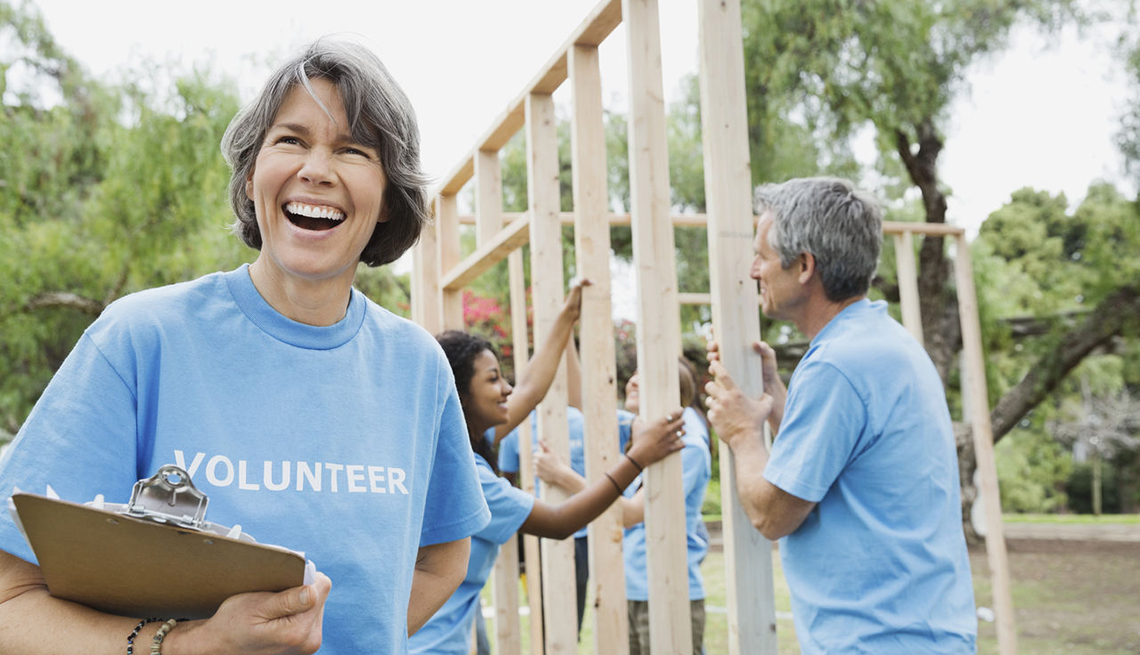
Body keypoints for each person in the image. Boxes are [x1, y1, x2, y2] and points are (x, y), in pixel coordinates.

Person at [0, 39, 490, 654]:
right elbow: (9, 604)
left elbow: (443, 559)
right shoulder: (140, 341)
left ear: (390, 195)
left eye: (353, 150)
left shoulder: (418, 368)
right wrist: (185, 647)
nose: (317, 168)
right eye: (291, 140)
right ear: (253, 171)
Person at [703, 177, 976, 654]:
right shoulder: (881, 343)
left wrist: (744, 435)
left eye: (761, 256)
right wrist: (774, 397)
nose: (752, 271)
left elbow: (772, 514)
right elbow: (831, 466)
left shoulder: (838, 365)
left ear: (804, 265)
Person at [410, 309, 686, 655]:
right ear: (461, 396)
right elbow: (559, 522)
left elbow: (530, 389)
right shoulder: (467, 474)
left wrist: (568, 314)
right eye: (493, 379)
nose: (507, 387)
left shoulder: (452, 447)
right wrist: (638, 458)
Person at [535, 358, 711, 655]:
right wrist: (568, 329)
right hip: (631, 589)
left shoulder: (687, 447)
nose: (632, 381)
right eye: (634, 374)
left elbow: (630, 514)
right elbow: (584, 404)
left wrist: (563, 476)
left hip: (669, 591)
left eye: (644, 377)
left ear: (671, 391)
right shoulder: (636, 436)